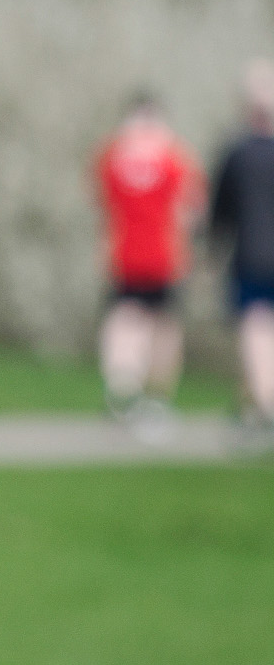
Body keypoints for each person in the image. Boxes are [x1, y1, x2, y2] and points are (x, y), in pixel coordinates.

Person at [93, 91, 204, 422]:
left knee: (125, 321)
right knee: (162, 327)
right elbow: (192, 208)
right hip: (164, 257)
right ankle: (155, 397)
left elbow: (103, 207)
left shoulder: (112, 157)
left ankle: (124, 386)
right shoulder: (174, 159)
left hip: (126, 255)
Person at [210, 59, 274, 429]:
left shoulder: (237, 154)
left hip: (252, 256)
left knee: (256, 329)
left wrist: (211, 250)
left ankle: (263, 402)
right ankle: (255, 399)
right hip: (254, 256)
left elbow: (220, 213)